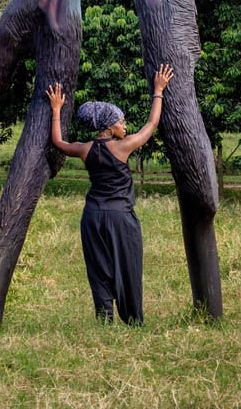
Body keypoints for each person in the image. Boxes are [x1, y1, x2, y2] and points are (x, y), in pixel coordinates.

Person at [45, 63, 174, 324]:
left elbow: (58, 143)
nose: (125, 126)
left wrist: (56, 111)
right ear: (109, 126)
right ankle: (133, 321)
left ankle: (105, 321)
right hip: (121, 219)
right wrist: (158, 91)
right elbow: (152, 124)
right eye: (121, 122)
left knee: (99, 269)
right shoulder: (123, 148)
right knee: (128, 268)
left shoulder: (84, 149)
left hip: (92, 218)